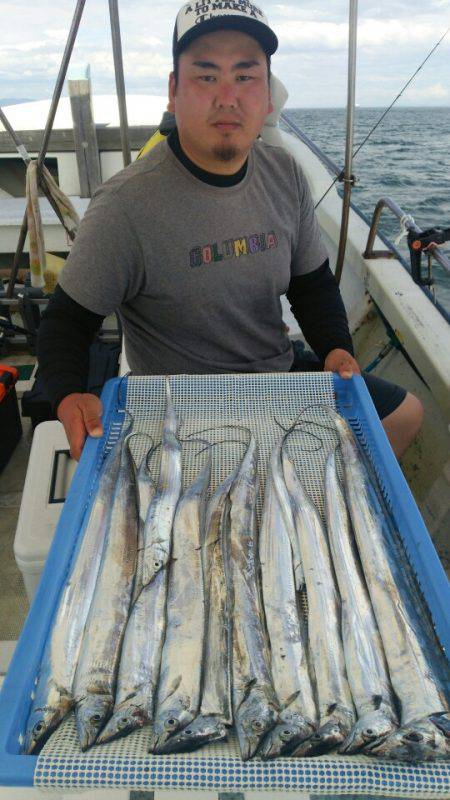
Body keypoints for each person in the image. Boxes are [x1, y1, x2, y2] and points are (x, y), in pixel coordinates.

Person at [37, 0, 423, 461]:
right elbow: (67, 321)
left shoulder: (286, 174)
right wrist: (66, 394)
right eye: (206, 76)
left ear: (267, 94)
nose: (227, 97)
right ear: (173, 90)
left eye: (245, 76)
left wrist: (336, 349)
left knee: (405, 415)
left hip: (278, 379)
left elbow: (312, 285)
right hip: (180, 407)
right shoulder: (124, 207)